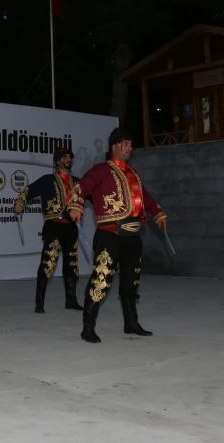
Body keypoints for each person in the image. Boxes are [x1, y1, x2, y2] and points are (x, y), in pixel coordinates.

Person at [68, 128, 166, 343]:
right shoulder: (101, 170)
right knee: (101, 280)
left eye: (131, 144)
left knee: (131, 282)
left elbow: (145, 196)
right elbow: (81, 186)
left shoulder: (133, 173)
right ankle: (88, 327)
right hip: (109, 235)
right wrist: (76, 204)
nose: (131, 148)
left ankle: (131, 323)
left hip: (133, 238)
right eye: (127, 144)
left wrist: (157, 212)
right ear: (115, 145)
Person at [13, 146, 83, 313]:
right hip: (54, 226)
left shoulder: (78, 182)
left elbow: (91, 195)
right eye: (65, 157)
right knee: (47, 263)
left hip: (72, 227)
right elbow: (29, 190)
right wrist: (20, 203)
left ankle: (71, 300)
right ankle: (39, 303)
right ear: (58, 161)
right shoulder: (47, 180)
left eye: (70, 157)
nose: (68, 159)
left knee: (72, 264)